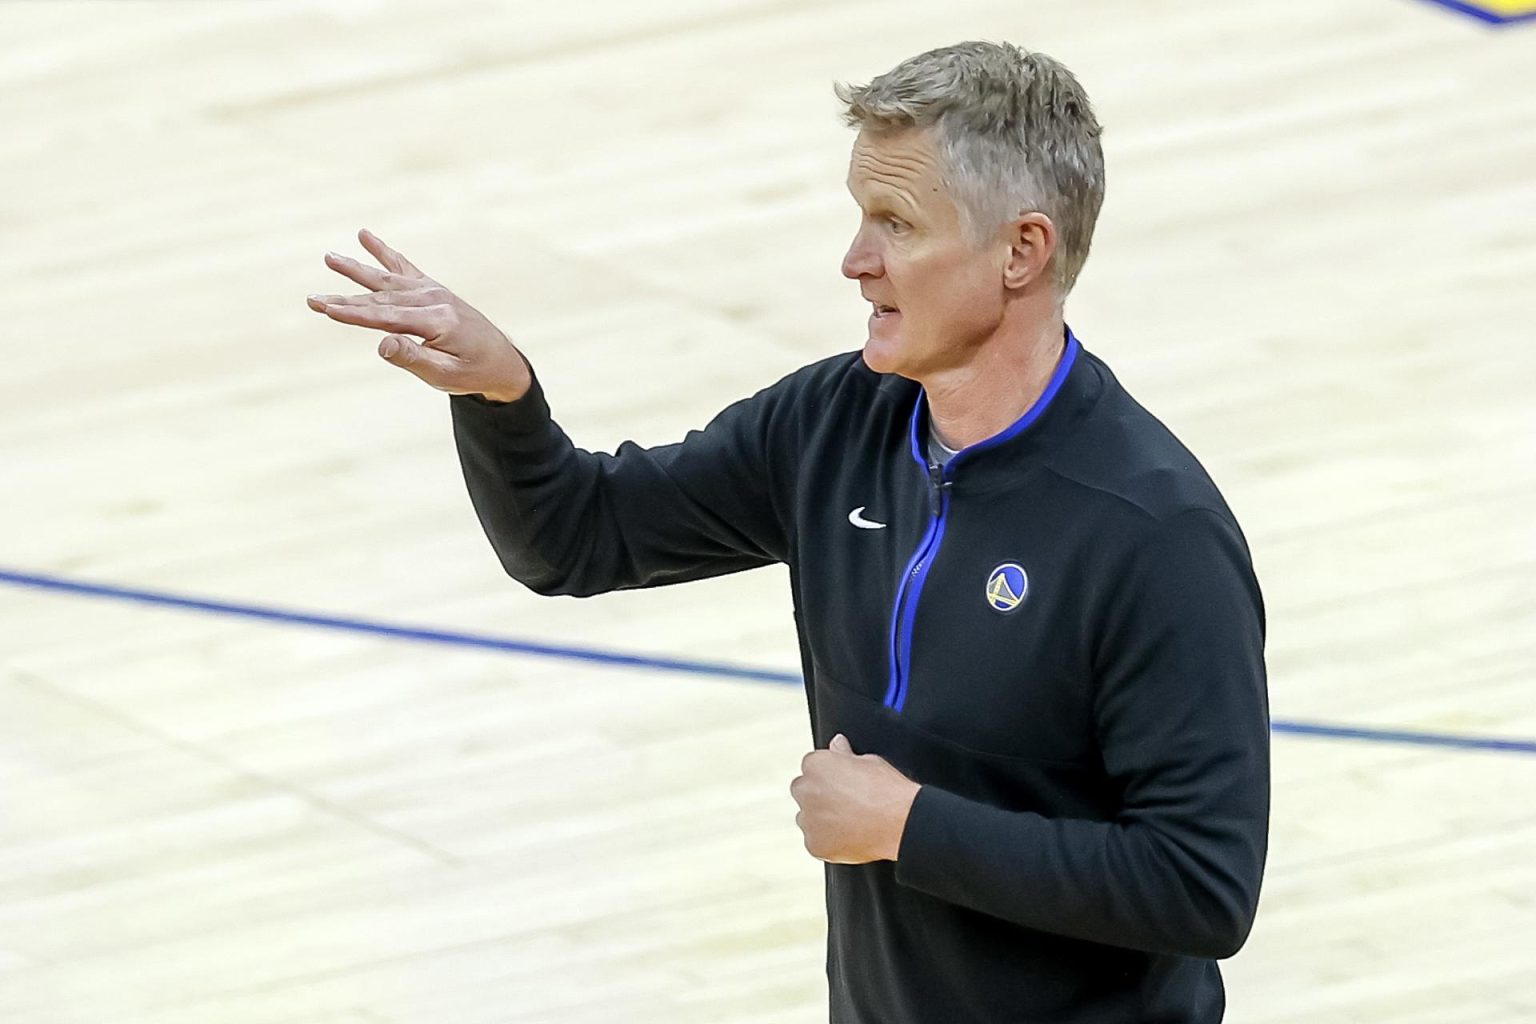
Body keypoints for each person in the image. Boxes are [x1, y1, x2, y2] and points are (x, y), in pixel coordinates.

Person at [307, 40, 1269, 1024]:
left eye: (895, 223)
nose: (854, 260)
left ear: (1021, 251)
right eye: (860, 216)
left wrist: (908, 825)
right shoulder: (834, 427)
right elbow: (577, 536)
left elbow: (1201, 883)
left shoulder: (1154, 533)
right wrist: (501, 393)